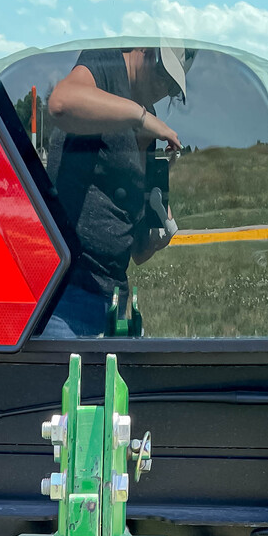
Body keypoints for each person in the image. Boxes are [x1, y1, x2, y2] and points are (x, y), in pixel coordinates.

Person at [40, 44, 191, 339]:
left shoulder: (146, 118)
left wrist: (154, 234)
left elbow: (137, 251)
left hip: (112, 300)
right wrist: (142, 118)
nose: (162, 88)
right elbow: (61, 102)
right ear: (145, 49)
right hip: (66, 295)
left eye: (171, 86)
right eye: (163, 74)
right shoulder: (106, 65)